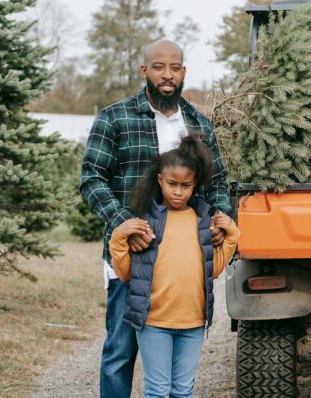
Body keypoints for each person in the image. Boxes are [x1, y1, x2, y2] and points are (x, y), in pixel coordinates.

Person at [79, 39, 232, 398]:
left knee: (175, 364)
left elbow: (218, 182)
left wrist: (219, 217)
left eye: (175, 68)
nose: (168, 75)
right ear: (144, 70)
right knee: (120, 351)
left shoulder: (198, 124)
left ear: (183, 72)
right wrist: (123, 224)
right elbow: (91, 179)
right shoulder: (115, 118)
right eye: (159, 67)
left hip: (182, 263)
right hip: (132, 259)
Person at [109, 135, 239, 398]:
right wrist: (119, 237)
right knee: (157, 391)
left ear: (194, 185)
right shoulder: (147, 221)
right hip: (154, 322)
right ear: (160, 180)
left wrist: (232, 235)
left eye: (185, 185)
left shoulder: (203, 219)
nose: (178, 191)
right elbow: (125, 274)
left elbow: (211, 270)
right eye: (172, 184)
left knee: (183, 390)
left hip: (193, 323)